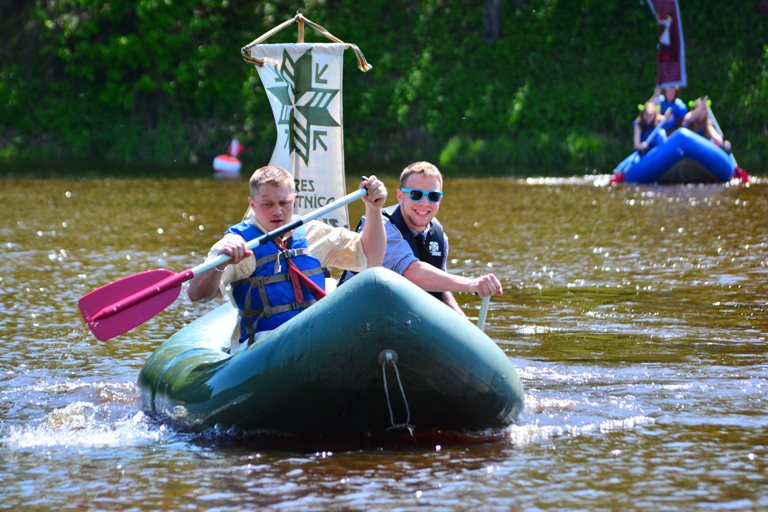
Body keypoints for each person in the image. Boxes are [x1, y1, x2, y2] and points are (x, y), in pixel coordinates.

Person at [187, 166, 387, 352]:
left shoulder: (312, 232)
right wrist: (220, 263)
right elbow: (196, 294)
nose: (277, 211)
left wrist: (374, 209)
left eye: (284, 203)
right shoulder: (236, 243)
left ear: (294, 199)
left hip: (314, 335)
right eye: (267, 204)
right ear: (252, 205)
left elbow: (372, 257)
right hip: (263, 345)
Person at [338, 161, 502, 317]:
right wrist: (470, 284)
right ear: (400, 196)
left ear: (440, 200)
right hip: (353, 312)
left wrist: (462, 320)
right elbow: (411, 272)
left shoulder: (438, 235)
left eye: (433, 196)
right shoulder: (380, 225)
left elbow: (441, 288)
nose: (425, 203)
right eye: (416, 195)